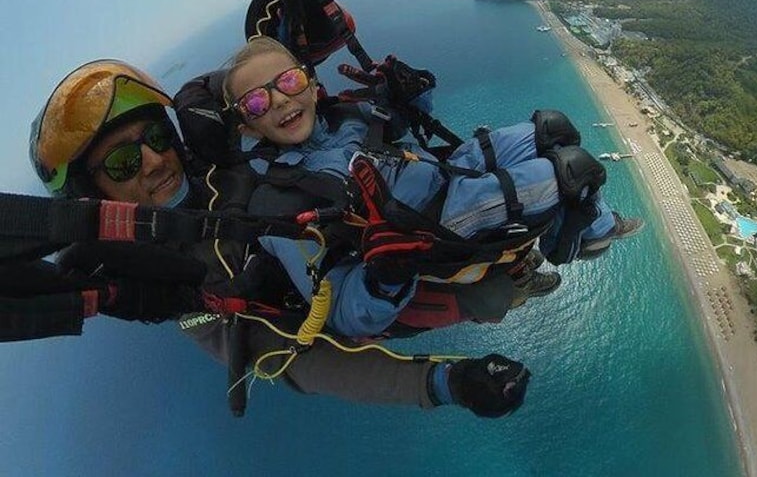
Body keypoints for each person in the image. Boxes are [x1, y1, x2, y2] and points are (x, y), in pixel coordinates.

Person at [28, 59, 530, 418]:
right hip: (366, 285)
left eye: (156, 139)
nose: (156, 161)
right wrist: (445, 383)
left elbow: (255, 78)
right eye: (123, 162)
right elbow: (301, 365)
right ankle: (515, 282)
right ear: (95, 193)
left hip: (383, 203)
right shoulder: (183, 285)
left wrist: (299, 25)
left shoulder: (214, 152)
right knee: (490, 290)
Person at [223, 37, 644, 338]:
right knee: (571, 172)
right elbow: (343, 314)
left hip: (445, 174)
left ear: (312, 86)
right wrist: (385, 277)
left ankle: (586, 231)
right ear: (248, 127)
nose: (278, 100)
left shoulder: (346, 116)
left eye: (289, 83)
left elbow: (402, 127)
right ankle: (571, 242)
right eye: (257, 103)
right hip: (426, 229)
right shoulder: (275, 205)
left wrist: (412, 91)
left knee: (552, 128)